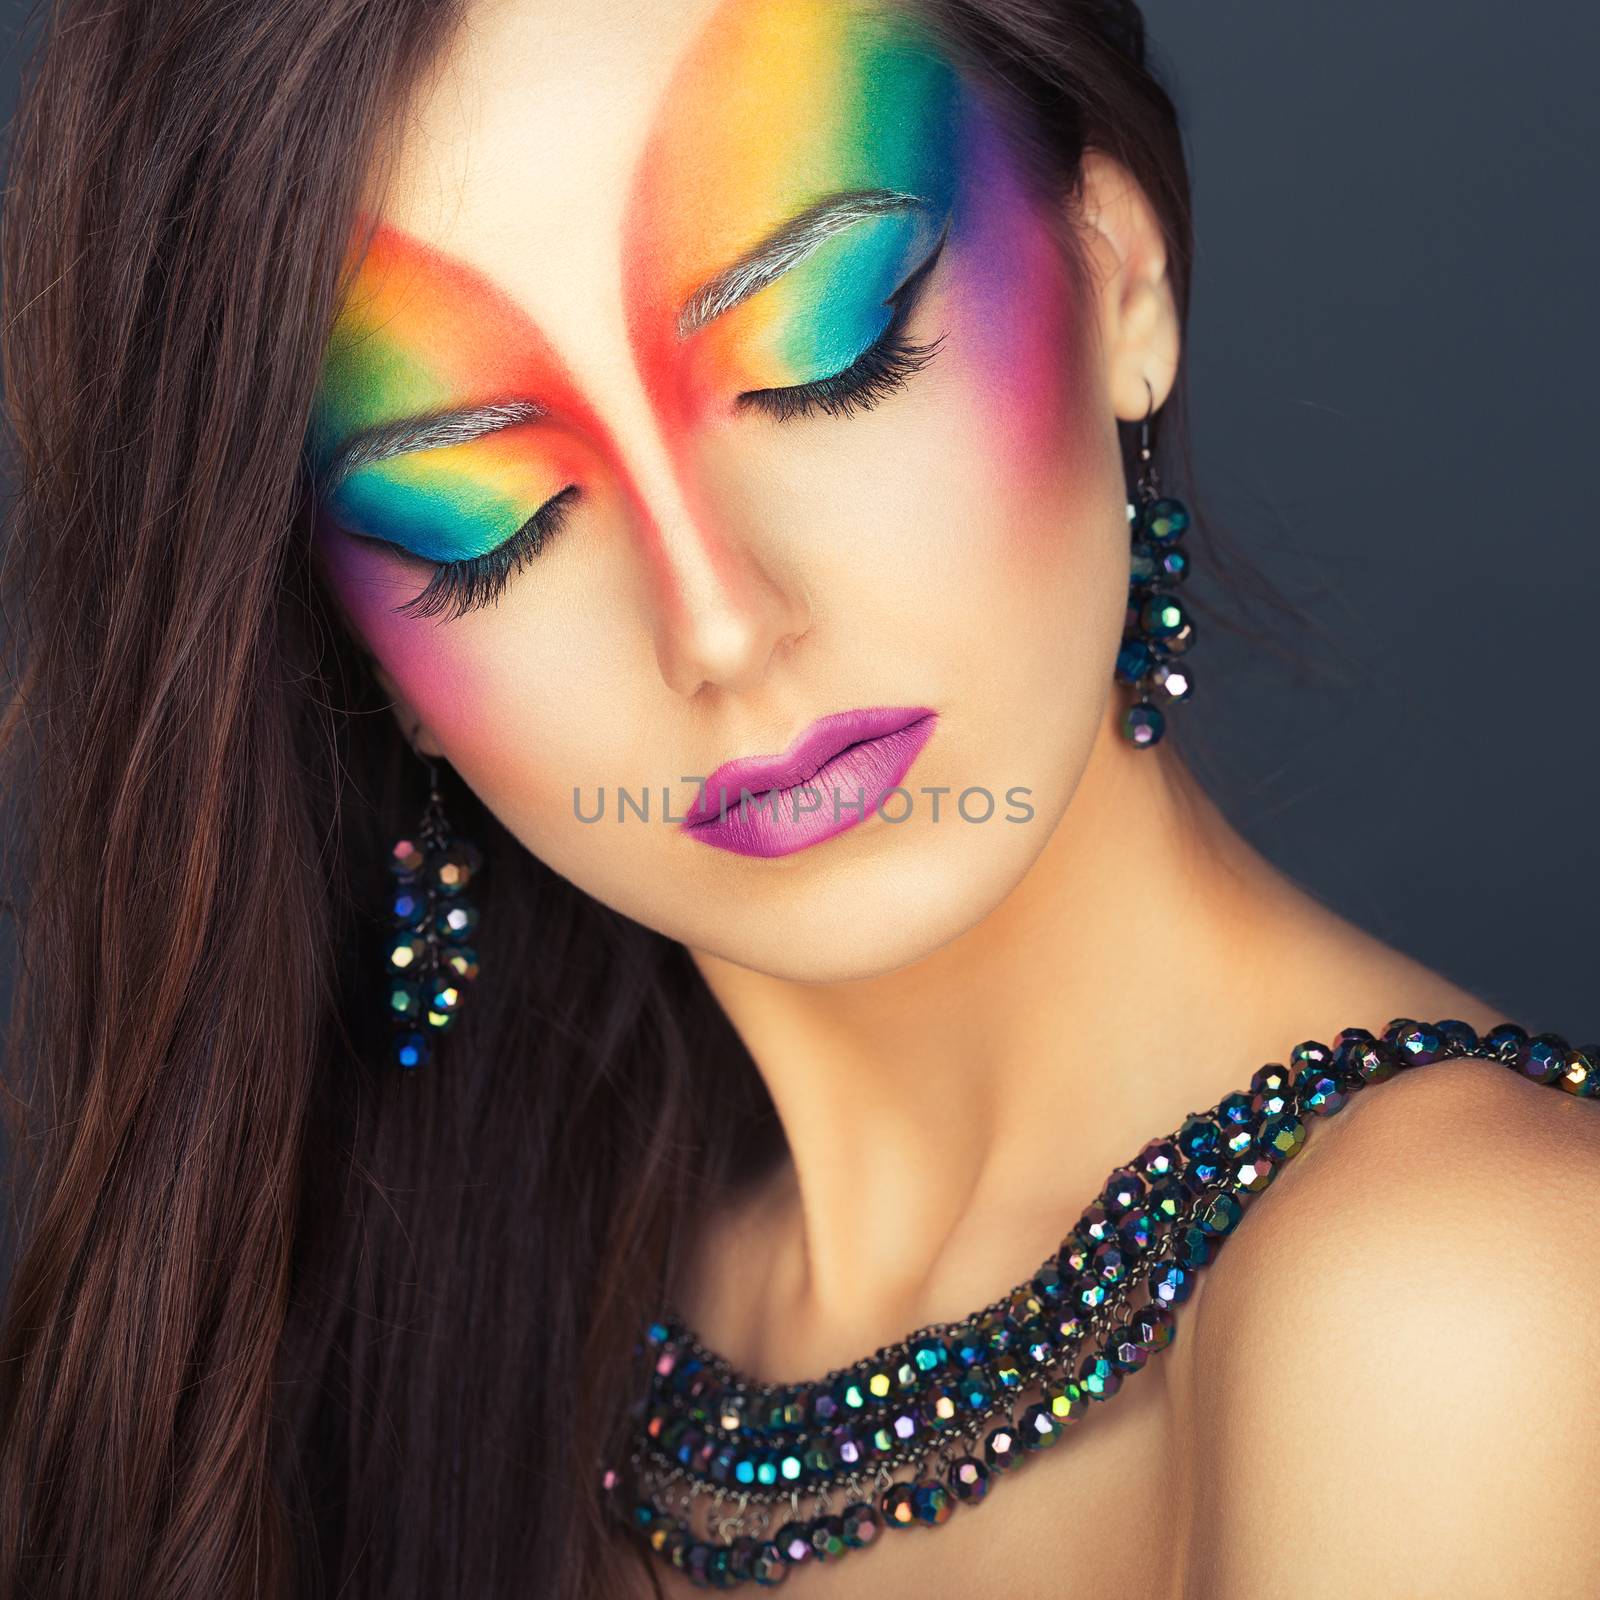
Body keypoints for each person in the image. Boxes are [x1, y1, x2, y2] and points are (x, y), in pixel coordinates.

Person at [0, 0, 1595, 1595]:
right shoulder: (436, 1353)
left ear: (1118, 273)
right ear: (366, 666)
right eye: (481, 517)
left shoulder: (1460, 1304)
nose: (718, 625)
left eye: (828, 349)